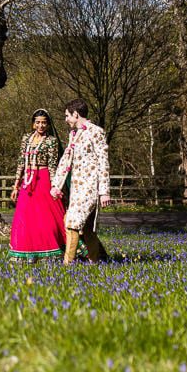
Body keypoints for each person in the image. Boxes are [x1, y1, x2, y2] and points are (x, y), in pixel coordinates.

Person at [51, 98, 111, 264]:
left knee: (71, 223)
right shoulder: (73, 134)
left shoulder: (96, 132)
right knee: (87, 229)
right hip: (77, 189)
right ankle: (95, 262)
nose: (66, 119)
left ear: (76, 114)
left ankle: (67, 264)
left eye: (67, 116)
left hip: (90, 187)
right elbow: (66, 160)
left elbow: (103, 161)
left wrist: (104, 191)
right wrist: (56, 185)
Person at [8, 109, 68, 260]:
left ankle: (51, 251)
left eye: (44, 123)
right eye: (38, 122)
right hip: (27, 181)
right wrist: (16, 185)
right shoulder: (26, 138)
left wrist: (55, 186)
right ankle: (26, 251)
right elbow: (21, 162)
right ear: (33, 124)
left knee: (46, 216)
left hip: (43, 179)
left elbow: (53, 165)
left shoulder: (51, 141)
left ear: (48, 125)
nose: (41, 125)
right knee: (25, 216)